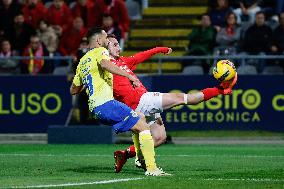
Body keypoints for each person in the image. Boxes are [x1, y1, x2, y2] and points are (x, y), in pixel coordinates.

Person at [106, 34, 238, 173]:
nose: (119, 47)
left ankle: (125, 154)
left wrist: (159, 49)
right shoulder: (105, 66)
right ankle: (221, 89)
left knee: (159, 138)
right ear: (105, 47)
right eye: (114, 44)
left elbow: (142, 55)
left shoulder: (123, 61)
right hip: (140, 101)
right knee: (183, 98)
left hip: (144, 102)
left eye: (118, 44)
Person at [70, 28, 170, 176]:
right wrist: (128, 76)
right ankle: (151, 168)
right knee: (143, 126)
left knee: (140, 118)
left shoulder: (82, 62)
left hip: (96, 108)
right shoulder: (101, 51)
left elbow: (73, 90)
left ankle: (141, 161)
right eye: (105, 38)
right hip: (105, 104)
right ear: (98, 41)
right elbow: (105, 64)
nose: (106, 41)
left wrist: (90, 78)